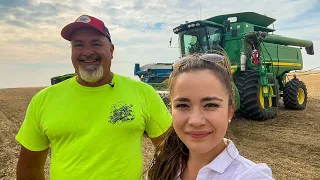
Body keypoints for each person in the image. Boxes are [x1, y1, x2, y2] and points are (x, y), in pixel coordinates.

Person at [15, 14, 172, 180]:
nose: (87, 52)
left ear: (111, 50)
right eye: (78, 45)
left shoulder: (143, 93)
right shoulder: (43, 100)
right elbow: (29, 168)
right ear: (72, 52)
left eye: (96, 43)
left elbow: (170, 153)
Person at [147, 51, 274, 180]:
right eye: (182, 105)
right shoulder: (160, 165)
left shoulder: (251, 176)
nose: (196, 121)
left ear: (230, 110)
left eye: (211, 105)